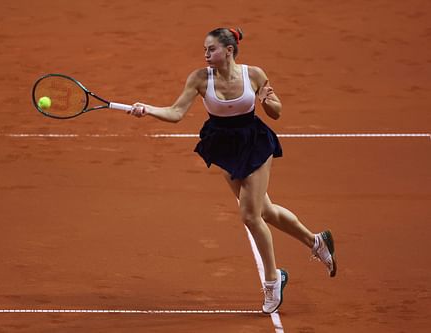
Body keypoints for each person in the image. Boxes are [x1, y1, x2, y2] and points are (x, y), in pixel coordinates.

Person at [128, 27, 337, 314]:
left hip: (254, 143)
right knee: (265, 210)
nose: (205, 55)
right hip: (223, 146)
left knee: (250, 215)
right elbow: (176, 113)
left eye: (211, 49)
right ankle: (316, 241)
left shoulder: (254, 75)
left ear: (228, 50)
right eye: (204, 49)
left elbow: (277, 111)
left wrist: (266, 100)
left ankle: (273, 280)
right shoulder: (200, 79)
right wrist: (147, 109)